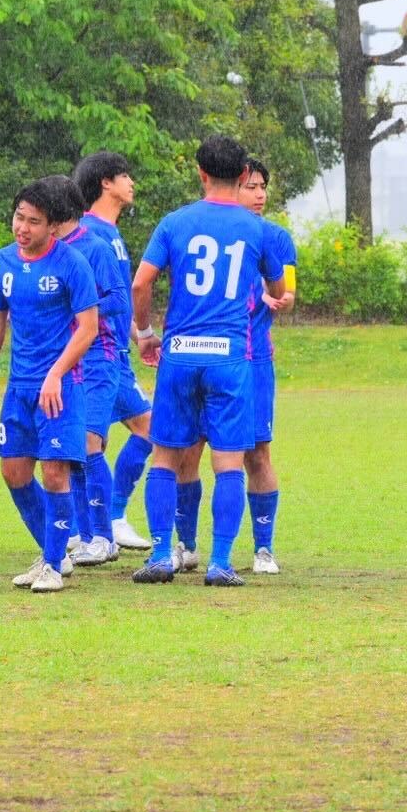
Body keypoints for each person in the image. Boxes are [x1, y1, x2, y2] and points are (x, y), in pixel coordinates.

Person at [129, 136, 285, 587]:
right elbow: (277, 291)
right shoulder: (257, 229)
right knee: (229, 462)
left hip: (179, 354)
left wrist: (145, 334)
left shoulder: (175, 222)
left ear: (199, 173)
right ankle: (219, 562)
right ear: (241, 177)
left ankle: (162, 553)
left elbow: (141, 285)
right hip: (230, 358)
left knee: (165, 457)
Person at [0, 181, 99, 594]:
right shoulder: (3, 262)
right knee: (13, 471)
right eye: (18, 218)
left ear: (53, 226)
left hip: (61, 387)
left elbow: (88, 328)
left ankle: (51, 562)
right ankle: (54, 552)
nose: (22, 228)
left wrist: (56, 373)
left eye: (33, 221)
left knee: (54, 471)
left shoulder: (72, 263)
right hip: (19, 388)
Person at [36, 175, 128, 568]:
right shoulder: (50, 252)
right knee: (69, 450)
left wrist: (82, 309)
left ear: (58, 216)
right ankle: (81, 533)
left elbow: (119, 298)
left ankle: (104, 537)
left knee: (90, 445)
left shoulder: (94, 247)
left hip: (98, 358)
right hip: (65, 361)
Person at [73, 151, 154, 550]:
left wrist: (138, 334)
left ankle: (113, 516)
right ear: (106, 182)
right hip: (95, 356)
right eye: (125, 175)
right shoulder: (89, 233)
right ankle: (85, 527)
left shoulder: (112, 232)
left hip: (116, 354)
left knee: (149, 429)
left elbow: (120, 296)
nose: (131, 182)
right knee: (88, 442)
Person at [234, 159, 296, 575]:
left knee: (257, 453)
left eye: (262, 187)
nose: (259, 194)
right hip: (208, 355)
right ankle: (183, 545)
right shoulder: (205, 228)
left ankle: (263, 549)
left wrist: (281, 297)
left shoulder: (275, 237)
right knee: (187, 451)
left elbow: (288, 289)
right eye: (250, 186)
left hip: (255, 359)